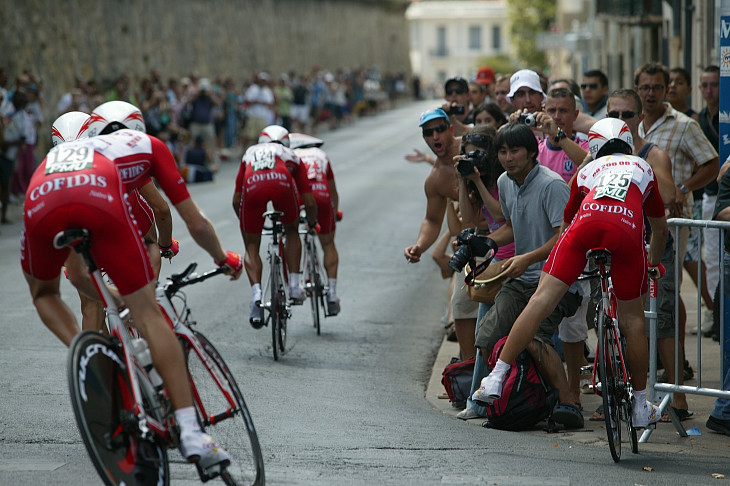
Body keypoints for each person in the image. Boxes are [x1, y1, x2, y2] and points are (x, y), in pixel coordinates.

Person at [21, 117, 243, 470]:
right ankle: (190, 432)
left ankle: (90, 356)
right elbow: (191, 221)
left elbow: (75, 273)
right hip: (98, 194)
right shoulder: (148, 146)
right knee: (147, 312)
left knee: (45, 294)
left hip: (41, 191)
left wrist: (110, 294)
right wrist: (222, 258)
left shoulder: (59, 155)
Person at [474, 117, 668, 429]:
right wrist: (653, 264)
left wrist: (569, 264)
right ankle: (641, 405)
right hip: (625, 232)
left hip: (583, 230)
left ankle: (495, 378)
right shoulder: (643, 167)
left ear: (592, 148)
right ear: (629, 144)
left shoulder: (586, 171)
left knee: (539, 301)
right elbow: (659, 228)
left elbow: (565, 226)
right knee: (632, 319)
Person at [470, 123, 584, 429]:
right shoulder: (506, 181)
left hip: (558, 282)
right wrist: (488, 244)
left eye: (515, 150)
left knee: (533, 340)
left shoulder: (552, 185)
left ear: (532, 153)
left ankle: (569, 404)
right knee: (487, 337)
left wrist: (528, 258)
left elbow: (564, 238)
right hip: (520, 280)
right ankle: (512, 398)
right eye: (503, 151)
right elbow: (509, 224)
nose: (508, 157)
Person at [636, 62, 719, 388]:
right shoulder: (629, 124)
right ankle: (663, 363)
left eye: (657, 87)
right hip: (634, 225)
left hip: (669, 226)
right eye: (645, 87)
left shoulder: (684, 125)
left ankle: (675, 373)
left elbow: (711, 163)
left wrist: (683, 188)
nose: (651, 93)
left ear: (667, 88)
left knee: (666, 295)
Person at [454, 124, 514, 420]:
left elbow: (502, 215)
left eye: (477, 154)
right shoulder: (476, 180)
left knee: (495, 333)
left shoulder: (502, 179)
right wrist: (464, 180)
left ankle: (485, 401)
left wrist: (478, 181)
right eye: (467, 155)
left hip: (513, 260)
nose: (473, 159)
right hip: (492, 266)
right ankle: (478, 401)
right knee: (483, 334)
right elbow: (470, 217)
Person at [233, 124, 317, 327]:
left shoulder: (249, 153)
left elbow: (237, 200)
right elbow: (309, 199)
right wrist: (312, 222)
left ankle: (257, 296)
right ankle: (295, 286)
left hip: (253, 188)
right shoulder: (290, 153)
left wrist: (248, 225)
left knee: (251, 247)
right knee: (291, 230)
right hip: (282, 184)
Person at [290, 132, 342, 314]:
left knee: (292, 234)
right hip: (322, 194)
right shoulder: (321, 155)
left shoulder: (290, 155)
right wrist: (334, 213)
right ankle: (333, 294)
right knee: (328, 243)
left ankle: (294, 286)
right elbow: (333, 191)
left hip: (299, 195)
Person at [697, 65, 722, 337]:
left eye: (714, 84)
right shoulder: (699, 118)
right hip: (709, 197)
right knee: (712, 260)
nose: (708, 90)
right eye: (704, 84)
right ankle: (717, 316)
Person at [0, 90, 28, 224]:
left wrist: (9, 143)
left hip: (9, 155)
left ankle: (3, 215)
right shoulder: (6, 112)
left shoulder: (22, 116)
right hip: (3, 153)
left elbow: (23, 137)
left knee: (6, 185)